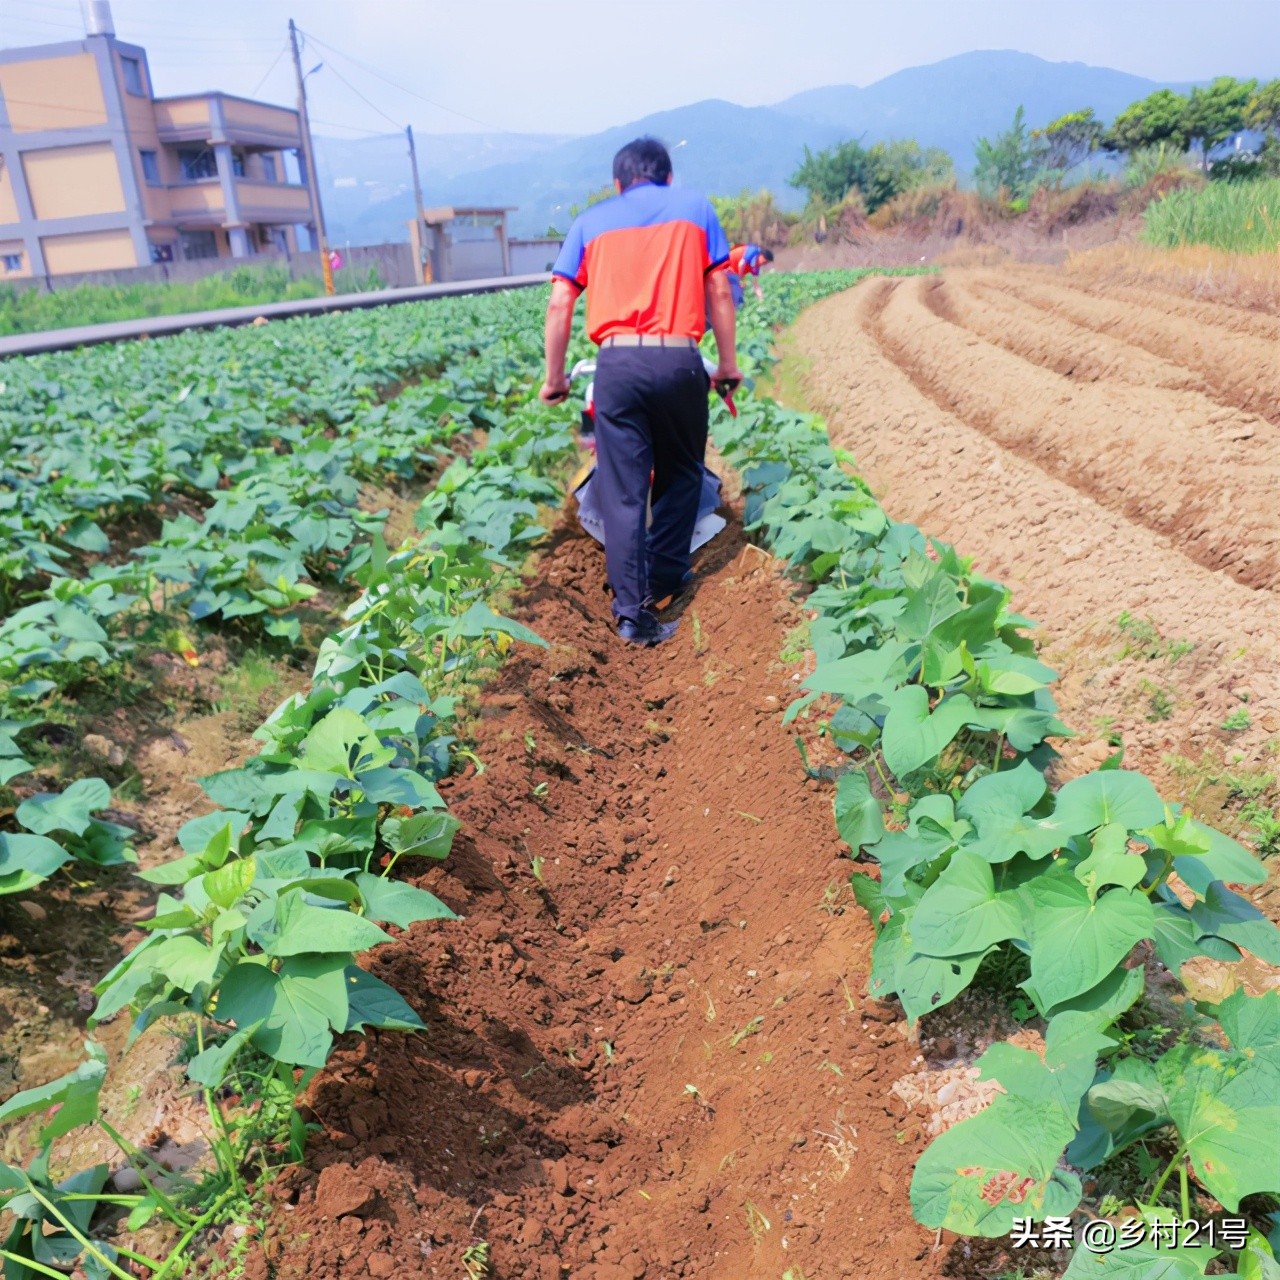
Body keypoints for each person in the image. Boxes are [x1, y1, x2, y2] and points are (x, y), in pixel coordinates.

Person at [540, 137, 741, 647]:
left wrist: (555, 378)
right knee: (680, 475)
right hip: (678, 359)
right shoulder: (695, 209)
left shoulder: (590, 222)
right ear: (667, 177)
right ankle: (667, 576)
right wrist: (729, 364)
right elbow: (719, 287)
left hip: (617, 362)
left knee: (625, 491)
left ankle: (632, 615)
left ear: (618, 184)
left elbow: (561, 300)